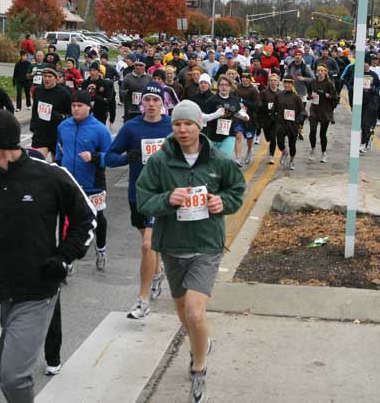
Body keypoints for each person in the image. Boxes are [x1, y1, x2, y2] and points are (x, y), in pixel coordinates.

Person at [0, 110, 97, 403]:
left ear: (1, 144)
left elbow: (86, 218)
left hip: (36, 292)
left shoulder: (50, 176)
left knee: (15, 376)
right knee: (3, 373)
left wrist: (64, 257)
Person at [136, 100, 245, 403]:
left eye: (188, 124)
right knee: (185, 314)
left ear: (200, 125)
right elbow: (143, 199)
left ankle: (199, 369)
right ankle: (201, 342)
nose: (182, 130)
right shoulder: (160, 161)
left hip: (206, 245)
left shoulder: (218, 160)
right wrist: (167, 199)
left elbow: (236, 189)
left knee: (196, 312)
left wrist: (223, 202)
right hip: (172, 245)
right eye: (177, 124)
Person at [106, 86, 173, 318]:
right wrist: (127, 157)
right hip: (139, 195)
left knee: (147, 244)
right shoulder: (131, 128)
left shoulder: (172, 126)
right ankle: (157, 272)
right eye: (148, 100)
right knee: (148, 244)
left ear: (162, 102)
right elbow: (109, 157)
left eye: (156, 99)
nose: (152, 104)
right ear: (141, 103)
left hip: (164, 195)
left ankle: (142, 299)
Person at [57, 90, 113, 270]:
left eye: (80, 106)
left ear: (89, 107)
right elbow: (59, 151)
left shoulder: (99, 129)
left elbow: (111, 157)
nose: (76, 109)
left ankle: (101, 250)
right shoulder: (63, 126)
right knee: (67, 220)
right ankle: (67, 258)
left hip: (93, 183)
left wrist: (94, 157)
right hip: (69, 182)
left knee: (97, 219)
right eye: (73, 106)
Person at [202, 76, 249, 160]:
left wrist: (244, 116)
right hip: (213, 136)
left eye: (227, 85)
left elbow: (238, 112)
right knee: (214, 160)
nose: (224, 87)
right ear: (218, 86)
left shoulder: (234, 100)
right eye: (222, 84)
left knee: (224, 158)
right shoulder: (212, 100)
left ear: (230, 87)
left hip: (229, 135)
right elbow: (202, 118)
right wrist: (215, 115)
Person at [31, 68, 72, 160]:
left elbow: (71, 113)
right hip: (40, 132)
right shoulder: (38, 90)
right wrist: (33, 124)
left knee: (57, 164)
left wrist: (60, 116)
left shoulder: (64, 93)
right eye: (45, 76)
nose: (47, 79)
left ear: (56, 78)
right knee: (37, 162)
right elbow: (35, 109)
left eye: (50, 76)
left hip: (56, 133)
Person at [308, 64, 337, 163]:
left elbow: (335, 97)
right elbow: (309, 93)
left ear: (326, 72)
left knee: (322, 134)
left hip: (325, 111)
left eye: (322, 71)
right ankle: (312, 149)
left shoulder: (329, 84)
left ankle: (324, 153)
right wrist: (309, 97)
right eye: (318, 70)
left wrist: (326, 95)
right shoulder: (313, 82)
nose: (320, 72)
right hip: (314, 110)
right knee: (312, 132)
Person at [275, 77, 306, 170]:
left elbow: (303, 112)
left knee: (292, 145)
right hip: (281, 123)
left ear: (292, 84)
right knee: (279, 142)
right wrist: (273, 116)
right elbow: (274, 108)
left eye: (289, 83)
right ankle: (284, 152)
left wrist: (298, 120)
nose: (287, 85)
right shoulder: (279, 95)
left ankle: (292, 160)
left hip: (292, 125)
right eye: (285, 83)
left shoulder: (296, 97)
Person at [234, 72, 260, 166]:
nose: (244, 79)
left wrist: (243, 101)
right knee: (238, 135)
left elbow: (256, 106)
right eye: (243, 77)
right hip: (238, 117)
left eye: (246, 78)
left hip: (250, 118)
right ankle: (238, 158)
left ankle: (249, 151)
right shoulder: (237, 88)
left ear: (250, 79)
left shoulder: (253, 90)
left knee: (249, 137)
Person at [359, 60, 380, 153]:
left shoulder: (374, 75)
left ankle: (364, 143)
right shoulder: (358, 74)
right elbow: (350, 84)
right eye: (363, 66)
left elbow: (378, 87)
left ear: (369, 66)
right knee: (360, 125)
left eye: (366, 66)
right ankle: (367, 139)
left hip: (371, 102)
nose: (365, 68)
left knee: (365, 124)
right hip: (359, 102)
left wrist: (372, 89)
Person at [259, 73, 281, 164]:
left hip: (275, 119)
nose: (273, 82)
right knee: (268, 137)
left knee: (273, 137)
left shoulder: (280, 93)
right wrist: (267, 105)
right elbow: (259, 105)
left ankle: (271, 156)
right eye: (271, 80)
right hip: (266, 119)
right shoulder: (264, 92)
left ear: (278, 82)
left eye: (275, 80)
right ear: (268, 82)